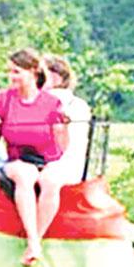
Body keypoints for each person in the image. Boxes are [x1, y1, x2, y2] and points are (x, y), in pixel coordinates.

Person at [0, 48, 69, 266]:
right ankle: (32, 239)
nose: (11, 77)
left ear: (33, 72)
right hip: (17, 159)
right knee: (25, 175)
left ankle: (36, 241)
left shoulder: (51, 103)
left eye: (16, 72)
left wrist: (62, 128)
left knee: (51, 182)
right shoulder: (3, 100)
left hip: (45, 160)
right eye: (10, 72)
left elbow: (61, 149)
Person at [43, 54, 92, 184]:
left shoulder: (48, 100)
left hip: (54, 170)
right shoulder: (80, 104)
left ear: (56, 78)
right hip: (76, 168)